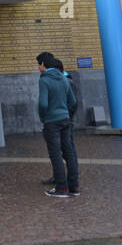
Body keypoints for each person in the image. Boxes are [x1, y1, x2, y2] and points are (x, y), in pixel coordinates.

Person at [37, 52, 80, 198]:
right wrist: (66, 114)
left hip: (51, 121)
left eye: (38, 64)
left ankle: (62, 188)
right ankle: (74, 186)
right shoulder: (63, 78)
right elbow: (73, 102)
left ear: (43, 65)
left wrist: (43, 117)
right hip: (65, 120)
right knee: (69, 153)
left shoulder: (44, 81)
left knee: (55, 154)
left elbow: (43, 103)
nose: (38, 67)